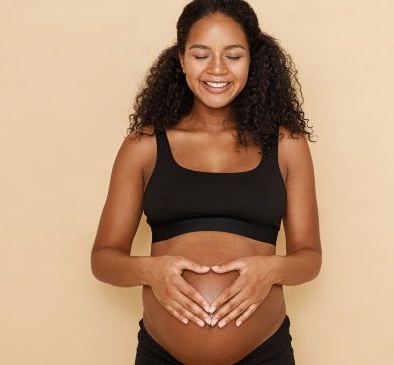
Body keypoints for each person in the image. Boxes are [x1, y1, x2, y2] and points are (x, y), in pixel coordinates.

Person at [90, 1, 321, 364]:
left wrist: (270, 270)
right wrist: (150, 271)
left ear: (252, 60)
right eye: (201, 55)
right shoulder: (145, 145)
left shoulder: (287, 145)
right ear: (181, 59)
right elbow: (103, 259)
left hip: (264, 353)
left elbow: (310, 258)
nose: (217, 69)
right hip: (162, 354)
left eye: (233, 55)